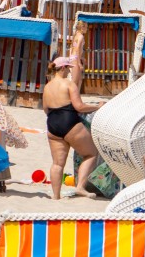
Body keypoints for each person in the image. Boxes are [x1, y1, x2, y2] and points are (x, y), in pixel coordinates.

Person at [42, 56, 103, 199]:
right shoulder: (68, 84)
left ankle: (56, 196)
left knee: (57, 164)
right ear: (63, 68)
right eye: (68, 68)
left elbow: (46, 109)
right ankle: (80, 187)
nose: (69, 71)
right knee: (91, 154)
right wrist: (97, 106)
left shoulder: (47, 87)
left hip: (52, 124)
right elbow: (79, 107)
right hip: (69, 122)